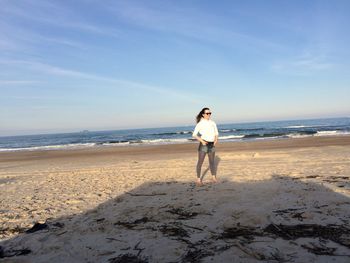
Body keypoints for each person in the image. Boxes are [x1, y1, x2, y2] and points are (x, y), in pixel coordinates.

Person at [192, 107, 219, 186]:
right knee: (200, 162)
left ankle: (213, 178)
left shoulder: (213, 122)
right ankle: (198, 179)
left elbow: (216, 133)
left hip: (212, 144)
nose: (209, 114)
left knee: (212, 162)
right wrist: (202, 141)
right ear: (203, 115)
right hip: (204, 144)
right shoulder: (200, 123)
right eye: (207, 113)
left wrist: (215, 141)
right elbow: (194, 134)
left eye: (210, 113)